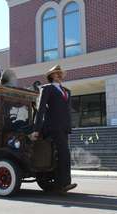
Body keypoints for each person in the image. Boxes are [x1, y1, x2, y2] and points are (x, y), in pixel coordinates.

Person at [31, 65, 77, 194]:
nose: (58, 75)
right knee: (64, 154)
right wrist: (36, 129)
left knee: (59, 155)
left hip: (64, 127)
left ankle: (58, 181)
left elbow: (67, 111)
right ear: (51, 76)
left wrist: (69, 126)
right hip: (52, 126)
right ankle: (63, 184)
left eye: (60, 73)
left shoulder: (67, 91)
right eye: (56, 74)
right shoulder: (47, 89)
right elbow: (41, 110)